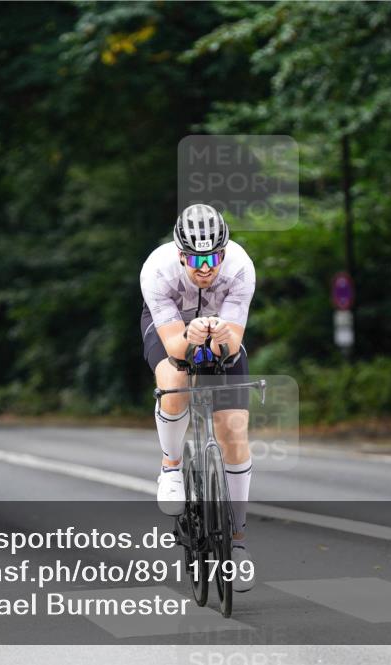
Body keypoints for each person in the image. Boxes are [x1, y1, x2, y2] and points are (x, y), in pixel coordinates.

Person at [139, 203, 257, 591]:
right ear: (180, 254)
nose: (205, 267)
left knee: (234, 430)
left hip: (220, 331)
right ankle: (171, 466)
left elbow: (234, 343)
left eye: (213, 257)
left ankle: (237, 542)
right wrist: (189, 338)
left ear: (224, 251)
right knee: (175, 382)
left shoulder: (240, 268)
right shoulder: (157, 271)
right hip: (172, 327)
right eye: (196, 259)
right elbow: (174, 345)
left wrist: (222, 339)